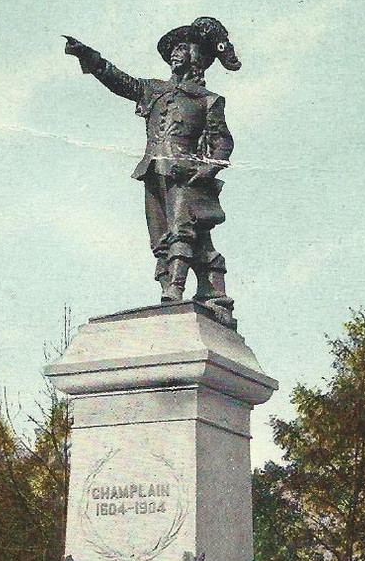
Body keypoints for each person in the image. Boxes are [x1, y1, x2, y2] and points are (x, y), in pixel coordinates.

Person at [64, 18, 241, 328]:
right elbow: (120, 81)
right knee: (160, 235)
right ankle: (197, 290)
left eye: (182, 48)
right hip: (153, 168)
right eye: (172, 49)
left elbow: (222, 141)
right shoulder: (154, 90)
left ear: (196, 57)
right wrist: (90, 57)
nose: (174, 53)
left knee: (182, 229)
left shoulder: (208, 100)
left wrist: (207, 170)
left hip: (185, 173)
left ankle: (174, 291)